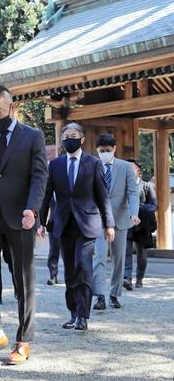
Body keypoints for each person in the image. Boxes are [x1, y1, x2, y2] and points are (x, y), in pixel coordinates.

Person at [0, 85, 47, 365]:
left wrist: (33, 208)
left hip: (21, 217)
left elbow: (40, 176)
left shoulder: (33, 137)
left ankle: (23, 342)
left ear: (11, 108)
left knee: (23, 282)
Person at [40, 123, 115, 331]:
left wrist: (109, 224)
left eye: (73, 136)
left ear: (82, 139)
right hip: (63, 223)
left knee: (83, 266)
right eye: (65, 136)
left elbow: (103, 196)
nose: (68, 139)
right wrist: (40, 222)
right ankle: (73, 312)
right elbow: (46, 195)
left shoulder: (93, 163)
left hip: (87, 224)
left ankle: (83, 316)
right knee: (70, 271)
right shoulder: (55, 165)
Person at [92, 135, 140, 311]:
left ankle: (114, 294)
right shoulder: (92, 165)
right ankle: (99, 296)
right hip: (98, 220)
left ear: (115, 148)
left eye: (108, 150)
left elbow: (132, 193)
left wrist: (134, 213)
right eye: (101, 151)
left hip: (120, 218)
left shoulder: (125, 167)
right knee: (99, 257)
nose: (104, 153)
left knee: (118, 259)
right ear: (97, 151)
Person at [123, 159, 157, 289]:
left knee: (142, 255)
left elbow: (154, 205)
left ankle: (139, 278)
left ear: (139, 171)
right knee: (126, 252)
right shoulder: (123, 186)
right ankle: (127, 278)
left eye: (132, 167)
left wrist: (138, 208)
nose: (129, 170)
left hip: (142, 225)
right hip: (126, 223)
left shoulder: (147, 186)